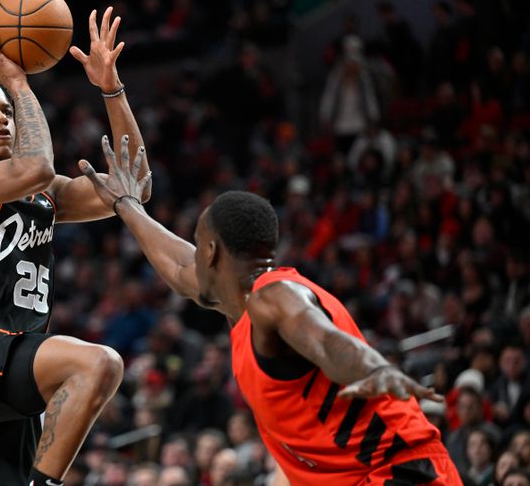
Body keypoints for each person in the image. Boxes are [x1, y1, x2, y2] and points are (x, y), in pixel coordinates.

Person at [77, 141, 462, 485]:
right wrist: (125, 205)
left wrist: (374, 369)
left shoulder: (275, 296)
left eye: (197, 244)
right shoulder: (240, 305)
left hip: (400, 471)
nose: (192, 256)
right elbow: (178, 271)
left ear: (210, 252)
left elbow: (328, 342)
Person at [0, 7, 150, 486]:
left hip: (14, 368)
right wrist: (17, 83)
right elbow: (35, 169)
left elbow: (135, 184)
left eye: (7, 111)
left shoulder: (45, 194)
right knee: (99, 363)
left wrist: (111, 88)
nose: (2, 119)